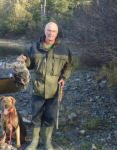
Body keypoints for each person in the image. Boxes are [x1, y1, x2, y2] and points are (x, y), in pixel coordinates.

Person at [18, 22, 73, 150]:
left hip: (55, 89)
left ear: (57, 32)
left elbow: (69, 66)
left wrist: (64, 78)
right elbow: (28, 65)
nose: (51, 33)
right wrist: (23, 61)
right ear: (44, 30)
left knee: (50, 116)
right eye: (49, 30)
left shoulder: (64, 49)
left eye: (53, 31)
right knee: (36, 115)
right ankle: (35, 141)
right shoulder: (34, 47)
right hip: (38, 88)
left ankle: (47, 141)